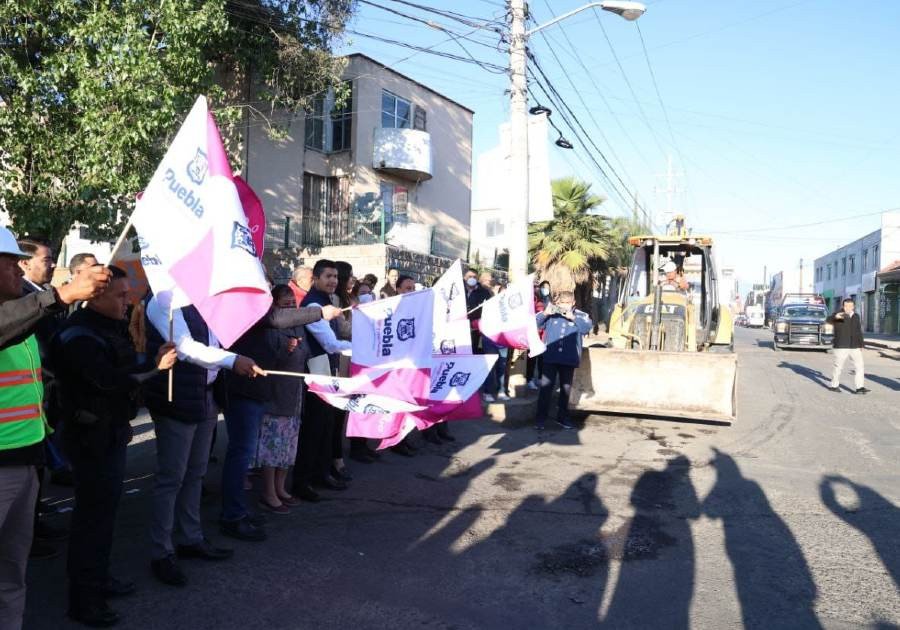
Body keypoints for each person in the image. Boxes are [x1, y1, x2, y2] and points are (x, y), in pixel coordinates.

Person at [52, 265, 177, 627]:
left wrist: (150, 361)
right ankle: (84, 599)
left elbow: (126, 362)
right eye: (120, 296)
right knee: (92, 519)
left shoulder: (108, 327)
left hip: (111, 431)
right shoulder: (78, 334)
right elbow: (111, 381)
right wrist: (155, 367)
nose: (128, 301)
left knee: (104, 516)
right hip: (90, 436)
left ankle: (99, 579)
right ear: (96, 296)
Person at [0, 226, 109, 630]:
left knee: (11, 576)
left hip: (26, 461)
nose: (18, 269)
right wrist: (61, 295)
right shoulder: (13, 315)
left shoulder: (20, 313)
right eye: (9, 262)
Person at [143, 289, 263, 588]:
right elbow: (185, 348)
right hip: (178, 399)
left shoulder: (206, 298)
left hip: (205, 396)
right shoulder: (163, 297)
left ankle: (190, 538)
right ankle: (162, 551)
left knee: (195, 474)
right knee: (171, 477)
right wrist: (233, 360)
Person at [222, 281, 343, 539]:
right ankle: (233, 514)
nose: (264, 286)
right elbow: (276, 319)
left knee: (255, 452)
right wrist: (321, 312)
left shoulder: (267, 312)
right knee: (244, 454)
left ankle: (238, 510)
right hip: (247, 390)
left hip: (263, 391)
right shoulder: (251, 308)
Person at [17, 239, 69, 558]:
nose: (50, 264)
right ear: (25, 263)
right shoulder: (21, 299)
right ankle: (28, 531)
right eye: (46, 259)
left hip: (44, 397)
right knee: (29, 471)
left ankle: (33, 520)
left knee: (38, 468)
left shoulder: (36, 294)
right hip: (32, 400)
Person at [293, 260, 353, 500]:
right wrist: (362, 349)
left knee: (326, 425)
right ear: (315, 278)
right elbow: (330, 343)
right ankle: (302, 481)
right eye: (328, 276)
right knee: (314, 427)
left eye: (336, 277)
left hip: (328, 369)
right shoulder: (315, 303)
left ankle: (321, 472)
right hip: (317, 371)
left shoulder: (327, 300)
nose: (333, 281)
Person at [254, 286, 306, 514]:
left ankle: (280, 487)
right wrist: (287, 349)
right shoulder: (270, 328)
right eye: (284, 304)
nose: (290, 308)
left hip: (294, 396)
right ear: (274, 305)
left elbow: (307, 356)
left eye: (292, 304)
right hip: (275, 398)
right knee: (272, 448)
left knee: (288, 448)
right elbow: (268, 360)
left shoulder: (298, 326)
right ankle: (268, 492)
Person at [535, 290, 592, 430]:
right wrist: (545, 314)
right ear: (557, 302)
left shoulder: (581, 315)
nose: (564, 306)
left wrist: (573, 318)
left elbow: (586, 328)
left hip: (569, 358)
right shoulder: (552, 312)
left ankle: (562, 417)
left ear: (573, 303)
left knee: (565, 390)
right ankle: (541, 419)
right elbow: (536, 324)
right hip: (551, 357)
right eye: (561, 303)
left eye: (567, 303)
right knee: (545, 389)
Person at [827, 298, 869, 394]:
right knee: (838, 367)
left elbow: (859, 331)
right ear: (843, 306)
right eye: (846, 306)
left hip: (854, 346)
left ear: (853, 306)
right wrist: (835, 317)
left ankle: (860, 387)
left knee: (860, 366)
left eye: (850, 306)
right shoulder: (839, 315)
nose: (848, 308)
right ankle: (834, 385)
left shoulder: (856, 316)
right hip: (841, 345)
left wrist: (861, 344)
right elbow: (828, 320)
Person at [526, 281, 550, 391]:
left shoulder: (549, 300)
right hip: (534, 333)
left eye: (547, 288)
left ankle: (540, 378)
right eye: (543, 287)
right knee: (532, 358)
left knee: (542, 358)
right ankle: (529, 379)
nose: (545, 289)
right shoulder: (534, 299)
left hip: (544, 334)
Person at [464, 269, 492, 354]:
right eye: (470, 277)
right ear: (464, 278)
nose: (472, 279)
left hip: (474, 330)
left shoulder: (484, 292)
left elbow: (489, 309)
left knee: (472, 352)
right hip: (459, 327)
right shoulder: (458, 290)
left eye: (474, 277)